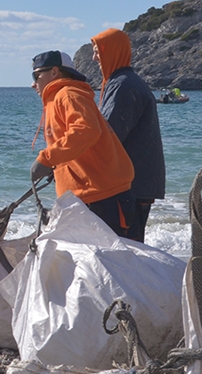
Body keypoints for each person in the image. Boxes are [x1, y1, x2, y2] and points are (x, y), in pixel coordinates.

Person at [29, 49, 138, 235]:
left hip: (102, 198)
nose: (33, 83)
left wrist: (47, 159)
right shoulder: (58, 98)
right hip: (85, 198)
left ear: (54, 72)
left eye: (36, 76)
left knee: (109, 253)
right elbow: (76, 141)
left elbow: (86, 130)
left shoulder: (68, 94)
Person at [90, 28, 165, 242]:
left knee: (125, 249)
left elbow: (108, 135)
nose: (94, 58)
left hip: (130, 186)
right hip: (138, 183)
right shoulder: (122, 82)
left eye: (98, 51)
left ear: (113, 51)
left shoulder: (123, 85)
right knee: (128, 246)